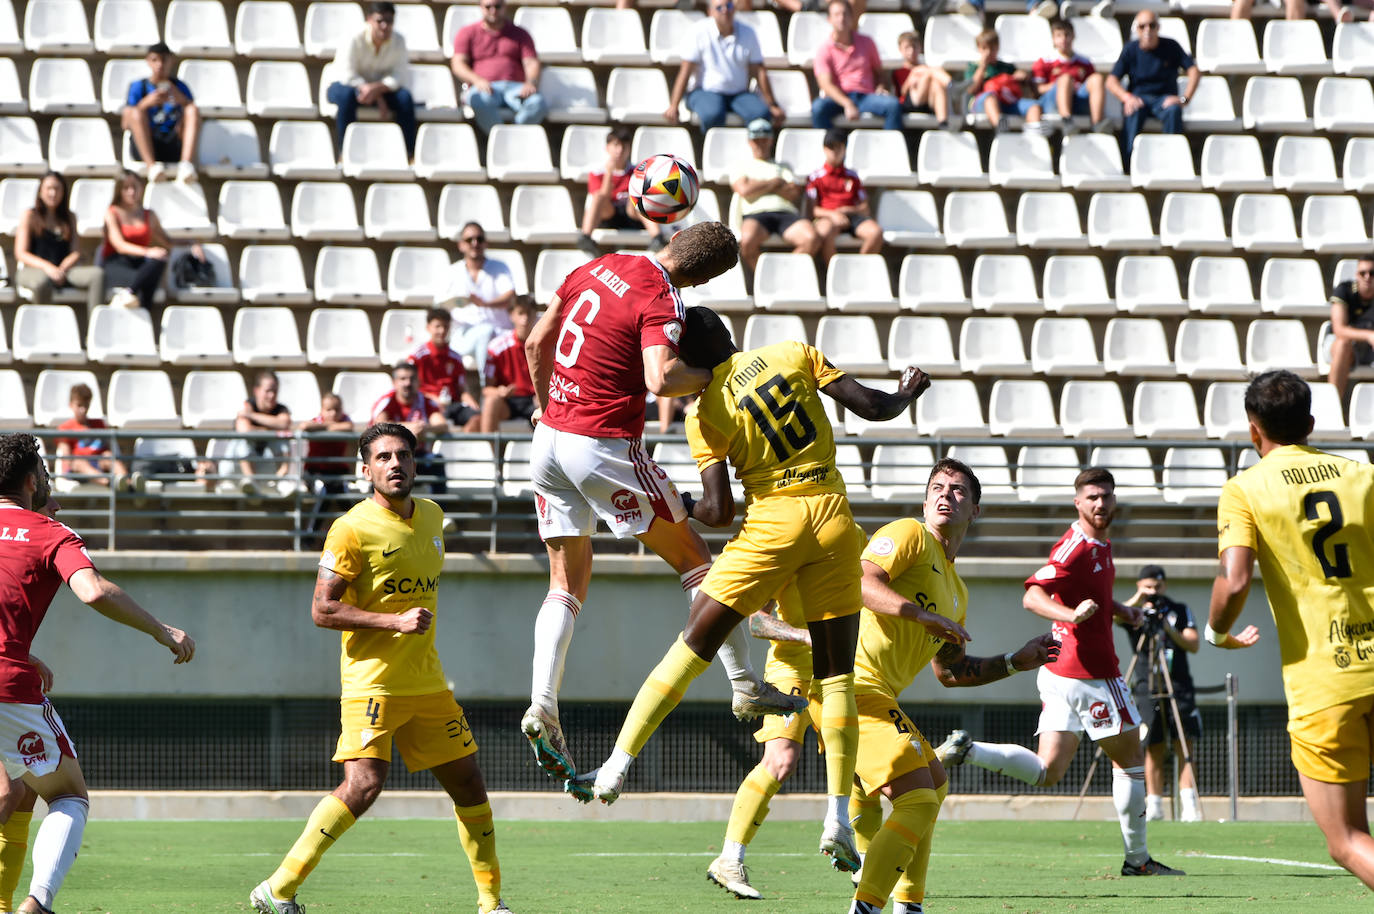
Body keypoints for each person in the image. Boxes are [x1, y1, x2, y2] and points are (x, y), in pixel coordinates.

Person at [568, 305, 932, 880]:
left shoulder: (704, 409)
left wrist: (680, 503)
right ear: (732, 336)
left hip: (773, 525)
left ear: (685, 361)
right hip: (834, 518)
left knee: (693, 645)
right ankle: (837, 817)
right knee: (836, 675)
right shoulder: (792, 351)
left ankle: (615, 766)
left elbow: (718, 511)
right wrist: (909, 390)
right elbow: (877, 408)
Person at [519, 223, 795, 785]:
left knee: (564, 586)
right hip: (601, 445)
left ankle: (542, 703)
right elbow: (661, 376)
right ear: (708, 276)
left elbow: (534, 341)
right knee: (700, 564)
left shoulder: (599, 263)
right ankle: (746, 686)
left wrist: (543, 403)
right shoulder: (661, 295)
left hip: (546, 439)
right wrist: (720, 372)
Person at [250, 423, 511, 914]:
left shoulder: (433, 517)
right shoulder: (350, 528)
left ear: (416, 462)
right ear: (365, 469)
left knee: (470, 784)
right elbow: (322, 610)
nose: (396, 464)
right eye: (384, 457)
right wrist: (393, 620)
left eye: (404, 455)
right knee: (364, 786)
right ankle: (277, 888)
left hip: (428, 684)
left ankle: (491, 903)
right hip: (373, 684)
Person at [938, 467, 1185, 877]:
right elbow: (1033, 596)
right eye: (1092, 497)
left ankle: (969, 750)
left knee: (1048, 771)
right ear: (1077, 502)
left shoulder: (1100, 545)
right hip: (1091, 673)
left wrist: (1121, 612)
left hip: (1058, 672)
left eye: (1106, 495)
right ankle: (1138, 861)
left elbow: (1089, 597)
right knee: (1131, 762)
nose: (1100, 503)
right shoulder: (1076, 547)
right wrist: (1071, 615)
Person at [847, 460, 1059, 914]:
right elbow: (861, 582)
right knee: (919, 797)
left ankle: (909, 903)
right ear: (925, 502)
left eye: (959, 490)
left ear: (975, 510)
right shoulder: (910, 534)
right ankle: (866, 906)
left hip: (878, 693)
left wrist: (1014, 662)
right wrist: (921, 615)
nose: (946, 495)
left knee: (935, 786)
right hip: (849, 683)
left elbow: (950, 672)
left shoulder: (958, 591)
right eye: (938, 488)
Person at [0, 432, 194, 914]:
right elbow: (92, 590)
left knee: (17, 792)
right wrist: (160, 630)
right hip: (7, 688)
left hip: (11, 668)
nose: (48, 480)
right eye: (44, 472)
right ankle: (37, 905)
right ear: (31, 479)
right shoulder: (50, 535)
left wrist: (25, 653)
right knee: (68, 796)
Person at [1207, 369, 1374, 889]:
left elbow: (1234, 585)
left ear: (1252, 429)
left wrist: (1216, 634)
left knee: (1346, 839)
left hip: (1327, 680)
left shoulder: (1245, 489)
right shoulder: (1363, 475)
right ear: (1311, 422)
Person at [707, 583, 817, 900]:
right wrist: (803, 635)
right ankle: (729, 858)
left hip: (844, 673)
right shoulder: (792, 547)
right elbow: (757, 621)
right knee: (780, 761)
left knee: (858, 765)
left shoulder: (856, 546)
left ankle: (865, 865)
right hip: (792, 670)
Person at [1120, 564, 1202, 823]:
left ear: (1164, 585)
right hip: (1146, 684)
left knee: (1183, 743)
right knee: (1152, 745)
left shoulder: (1178, 610)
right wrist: (1137, 601)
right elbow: (1112, 617)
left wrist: (1167, 628)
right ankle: (1153, 805)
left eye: (1156, 587)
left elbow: (1193, 644)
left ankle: (1189, 806)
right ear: (1139, 585)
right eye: (1147, 587)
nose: (1153, 592)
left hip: (1177, 683)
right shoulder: (1135, 612)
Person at [664, 0, 784, 134]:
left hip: (739, 94)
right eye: (719, 7)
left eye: (729, 6)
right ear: (710, 12)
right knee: (712, 114)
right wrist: (674, 105)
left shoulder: (748, 32)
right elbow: (685, 71)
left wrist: (772, 104)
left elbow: (758, 71)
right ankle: (710, 150)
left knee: (761, 114)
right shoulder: (698, 31)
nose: (725, 10)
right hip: (705, 91)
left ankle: (754, 151)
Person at [101, 169, 203, 313]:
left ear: (141, 188)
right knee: (147, 278)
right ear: (119, 190)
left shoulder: (149, 215)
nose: (131, 192)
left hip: (140, 266)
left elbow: (167, 240)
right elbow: (119, 246)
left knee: (160, 258)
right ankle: (134, 299)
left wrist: (191, 242)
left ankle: (131, 296)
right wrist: (147, 252)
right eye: (126, 188)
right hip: (117, 263)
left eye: (134, 187)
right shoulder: (112, 213)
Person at [325, 2, 416, 159]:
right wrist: (374, 92)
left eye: (389, 21)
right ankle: (345, 152)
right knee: (346, 97)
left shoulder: (399, 40)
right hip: (345, 87)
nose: (384, 26)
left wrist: (377, 90)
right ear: (369, 20)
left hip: (379, 90)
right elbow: (346, 74)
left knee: (405, 98)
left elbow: (400, 75)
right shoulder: (353, 37)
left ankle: (408, 154)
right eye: (380, 20)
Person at [1106, 11, 1200, 162]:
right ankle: (1129, 165)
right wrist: (1127, 97)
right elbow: (1111, 81)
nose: (1147, 30)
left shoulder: (1171, 46)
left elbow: (1194, 71)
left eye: (1152, 25)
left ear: (1158, 27)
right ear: (1137, 29)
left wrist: (1184, 99)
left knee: (1174, 110)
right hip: (1139, 99)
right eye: (1142, 26)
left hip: (1164, 100)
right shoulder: (1130, 49)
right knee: (1132, 110)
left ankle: (1172, 162)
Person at [732, 118, 819, 275]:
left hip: (786, 213)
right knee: (747, 242)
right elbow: (743, 189)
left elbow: (793, 193)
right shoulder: (741, 165)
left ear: (771, 140)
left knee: (811, 239)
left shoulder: (783, 166)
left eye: (764, 140)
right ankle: (767, 279)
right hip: (755, 214)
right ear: (750, 142)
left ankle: (783, 278)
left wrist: (756, 185)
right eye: (756, 140)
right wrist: (775, 183)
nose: (761, 144)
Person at [13, 172, 103, 314]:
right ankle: (44, 326)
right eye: (49, 188)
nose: (53, 193)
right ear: (40, 191)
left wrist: (62, 269)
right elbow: (21, 253)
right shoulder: (30, 215)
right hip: (35, 270)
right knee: (41, 282)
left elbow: (75, 251)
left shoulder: (69, 216)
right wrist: (48, 268)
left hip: (64, 270)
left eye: (57, 189)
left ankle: (94, 328)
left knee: (97, 275)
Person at [450, 0, 546, 135]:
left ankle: (513, 137)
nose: (493, 10)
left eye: (497, 6)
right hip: (485, 88)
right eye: (488, 7)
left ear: (504, 7)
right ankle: (502, 139)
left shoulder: (520, 34)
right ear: (481, 7)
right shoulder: (467, 32)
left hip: (515, 88)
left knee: (538, 103)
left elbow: (531, 62)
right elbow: (458, 64)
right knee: (477, 100)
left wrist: (531, 82)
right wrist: (477, 80)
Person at [811, 0, 902, 131]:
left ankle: (888, 148)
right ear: (829, 19)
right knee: (818, 108)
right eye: (837, 15)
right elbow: (825, 84)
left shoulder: (867, 42)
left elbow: (880, 74)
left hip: (866, 96)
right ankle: (833, 147)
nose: (841, 18)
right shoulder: (824, 49)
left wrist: (881, 87)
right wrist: (847, 103)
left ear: (852, 17)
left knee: (893, 105)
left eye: (845, 14)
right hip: (839, 98)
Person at [441, 222, 516, 379]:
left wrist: (485, 304)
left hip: (499, 335)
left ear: (485, 243)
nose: (475, 243)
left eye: (479, 239)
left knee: (488, 332)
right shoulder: (451, 272)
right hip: (463, 337)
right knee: (485, 332)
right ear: (461, 245)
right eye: (469, 240)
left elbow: (510, 297)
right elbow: (440, 306)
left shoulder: (499, 267)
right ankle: (486, 386)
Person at [578, 124, 665, 257]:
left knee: (640, 199)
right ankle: (586, 237)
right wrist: (609, 173)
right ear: (608, 148)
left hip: (633, 215)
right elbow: (603, 196)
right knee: (598, 197)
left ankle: (657, 237)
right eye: (616, 145)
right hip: (609, 215)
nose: (619, 150)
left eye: (623, 146)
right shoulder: (597, 172)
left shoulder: (637, 171)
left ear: (629, 149)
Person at [121, 42, 200, 184]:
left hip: (173, 144)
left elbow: (193, 115)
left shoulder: (180, 87)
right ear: (148, 61)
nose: (160, 65)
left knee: (192, 109)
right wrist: (145, 103)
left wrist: (182, 101)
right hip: (148, 144)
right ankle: (152, 167)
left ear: (171, 61)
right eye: (155, 60)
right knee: (135, 112)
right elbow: (125, 124)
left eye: (164, 59)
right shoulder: (139, 87)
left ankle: (186, 165)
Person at [807, 128, 883, 263]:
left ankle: (858, 270)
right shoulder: (815, 177)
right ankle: (834, 273)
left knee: (875, 233)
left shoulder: (853, 176)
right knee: (825, 232)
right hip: (828, 217)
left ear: (845, 149)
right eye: (831, 147)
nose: (835, 152)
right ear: (824, 149)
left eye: (839, 147)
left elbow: (865, 208)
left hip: (852, 217)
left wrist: (848, 210)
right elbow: (813, 210)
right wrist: (833, 214)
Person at [372, 363, 449, 491]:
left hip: (418, 457)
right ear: (394, 382)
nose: (407, 383)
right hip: (390, 457)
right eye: (402, 379)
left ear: (418, 381)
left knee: (437, 461)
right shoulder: (387, 401)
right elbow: (378, 424)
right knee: (378, 465)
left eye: (412, 379)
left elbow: (443, 425)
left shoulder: (425, 401)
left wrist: (425, 428)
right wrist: (407, 428)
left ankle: (441, 509)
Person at [54, 383, 138, 492]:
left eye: (86, 406)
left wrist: (107, 457)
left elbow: (107, 447)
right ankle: (111, 483)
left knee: (108, 456)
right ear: (71, 405)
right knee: (78, 463)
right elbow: (66, 457)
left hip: (98, 462)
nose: (83, 410)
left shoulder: (99, 424)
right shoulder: (65, 428)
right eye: (79, 405)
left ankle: (128, 483)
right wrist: (67, 471)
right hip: (80, 469)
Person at [220, 369, 292, 495]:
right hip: (235, 469)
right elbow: (245, 431)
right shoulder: (248, 405)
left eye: (275, 391)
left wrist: (252, 416)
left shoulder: (279, 409)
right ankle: (251, 481)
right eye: (268, 391)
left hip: (263, 466)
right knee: (243, 441)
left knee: (282, 439)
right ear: (256, 391)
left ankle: (281, 479)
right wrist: (272, 428)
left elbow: (284, 423)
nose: (272, 395)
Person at [408, 308, 481, 432]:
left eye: (445, 327)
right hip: (427, 405)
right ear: (428, 327)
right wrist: (432, 398)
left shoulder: (455, 358)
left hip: (451, 404)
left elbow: (461, 389)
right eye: (437, 326)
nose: (442, 331)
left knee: (478, 418)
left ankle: (460, 446)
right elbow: (411, 387)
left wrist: (472, 403)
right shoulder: (417, 356)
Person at [1033, 18, 1107, 134]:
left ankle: (1097, 123)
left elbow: (1091, 87)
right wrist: (1060, 85)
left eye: (1067, 35)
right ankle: (1066, 121)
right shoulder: (1044, 61)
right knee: (1065, 79)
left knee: (1097, 78)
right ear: (1053, 39)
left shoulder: (1085, 62)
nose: (1063, 39)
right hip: (1052, 102)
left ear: (1073, 36)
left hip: (1077, 101)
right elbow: (1038, 89)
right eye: (1059, 35)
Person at [965, 30, 1047, 135]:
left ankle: (1034, 134)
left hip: (1008, 102)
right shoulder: (973, 67)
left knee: (1034, 106)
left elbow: (1023, 79)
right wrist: (982, 67)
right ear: (978, 48)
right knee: (990, 97)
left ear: (998, 47)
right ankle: (1000, 128)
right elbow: (971, 89)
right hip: (983, 103)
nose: (989, 52)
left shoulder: (1007, 67)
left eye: (992, 48)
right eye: (984, 48)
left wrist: (1023, 76)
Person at [480, 296, 537, 433]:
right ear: (511, 315)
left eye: (529, 313)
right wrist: (501, 391)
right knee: (491, 401)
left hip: (536, 400)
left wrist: (542, 396)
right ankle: (490, 452)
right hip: (509, 401)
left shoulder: (547, 345)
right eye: (521, 313)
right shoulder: (496, 347)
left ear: (535, 314)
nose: (525, 318)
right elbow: (487, 389)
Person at [1327, 255, 1374, 401]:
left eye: (1372, 273)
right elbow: (1339, 329)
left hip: (1370, 349)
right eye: (1363, 273)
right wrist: (1368, 335)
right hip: (1344, 346)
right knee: (1342, 345)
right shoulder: (1344, 290)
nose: (1367, 277)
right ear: (1356, 275)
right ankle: (1333, 405)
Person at [299, 392, 355, 496]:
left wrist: (328, 427)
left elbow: (349, 426)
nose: (333, 413)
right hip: (315, 468)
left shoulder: (344, 419)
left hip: (337, 468)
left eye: (337, 409)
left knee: (343, 492)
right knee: (322, 492)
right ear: (321, 410)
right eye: (329, 410)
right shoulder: (317, 421)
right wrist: (328, 425)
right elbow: (304, 426)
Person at [894, 30, 951, 128]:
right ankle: (951, 84)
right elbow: (902, 92)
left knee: (936, 84)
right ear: (900, 49)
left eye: (914, 47)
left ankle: (943, 122)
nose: (911, 51)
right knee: (930, 72)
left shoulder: (924, 68)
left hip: (927, 102)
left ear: (920, 47)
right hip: (911, 103)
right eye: (907, 47)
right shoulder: (899, 71)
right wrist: (912, 77)